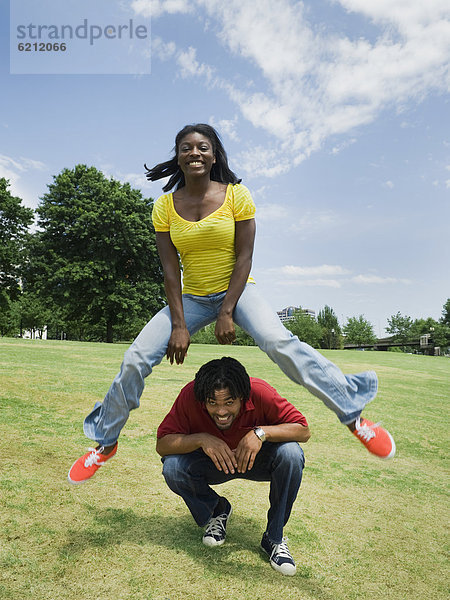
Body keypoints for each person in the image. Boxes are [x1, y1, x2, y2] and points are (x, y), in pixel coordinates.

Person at [68, 123, 395, 485]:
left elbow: (245, 258)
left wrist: (226, 311)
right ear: (178, 155)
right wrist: (178, 324)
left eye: (203, 147)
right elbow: (168, 268)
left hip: (238, 292)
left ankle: (353, 415)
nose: (195, 153)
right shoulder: (164, 206)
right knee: (134, 358)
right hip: (191, 297)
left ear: (214, 155)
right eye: (187, 148)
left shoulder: (237, 195)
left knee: (278, 342)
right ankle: (105, 441)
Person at [156, 357, 310, 576]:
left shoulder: (259, 391)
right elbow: (162, 445)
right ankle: (216, 511)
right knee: (172, 467)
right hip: (213, 463)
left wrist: (260, 433)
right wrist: (202, 439)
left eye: (229, 403)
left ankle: (273, 539)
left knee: (291, 454)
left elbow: (303, 430)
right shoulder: (190, 395)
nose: (221, 411)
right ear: (203, 398)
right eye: (212, 403)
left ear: (243, 397)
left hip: (256, 460)